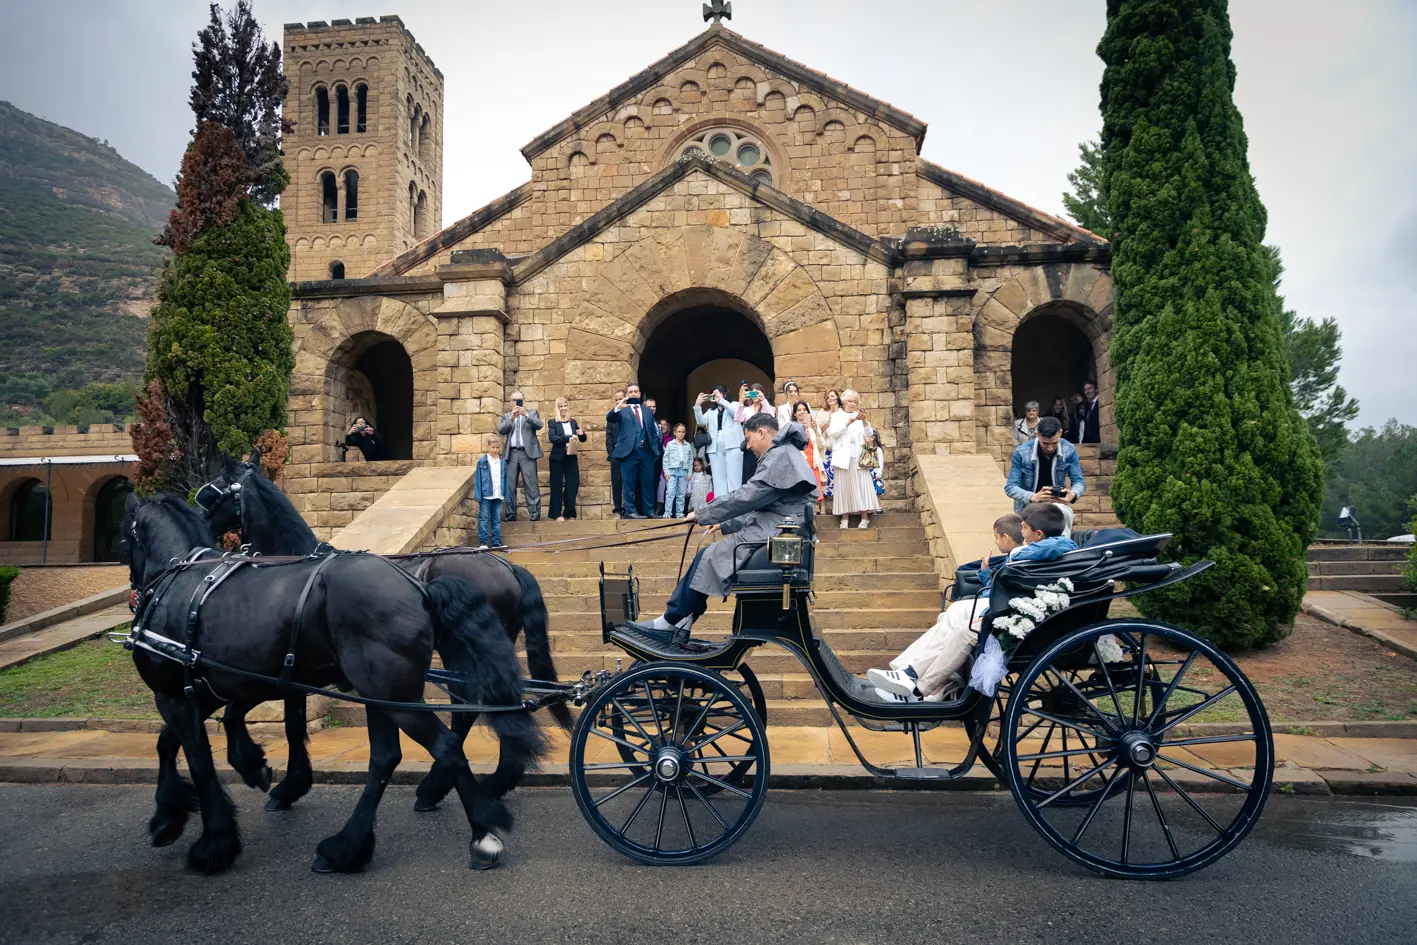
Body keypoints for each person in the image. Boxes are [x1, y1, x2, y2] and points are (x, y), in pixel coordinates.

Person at [629, 413, 817, 638]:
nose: (748, 446)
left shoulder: (780, 456)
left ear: (761, 432)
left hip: (776, 534)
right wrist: (724, 522)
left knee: (708, 556)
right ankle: (682, 620)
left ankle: (670, 620)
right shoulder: (783, 454)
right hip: (776, 529)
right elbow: (765, 505)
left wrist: (704, 513)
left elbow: (748, 497)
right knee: (707, 556)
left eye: (748, 439)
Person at [868, 505, 1076, 702]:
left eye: (1025, 528)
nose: (1021, 533)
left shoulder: (1054, 547)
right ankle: (912, 674)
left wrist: (1016, 554)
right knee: (954, 623)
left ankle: (916, 682)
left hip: (1019, 613)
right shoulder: (1039, 548)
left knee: (961, 622)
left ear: (1038, 534)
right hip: (1006, 605)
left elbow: (1053, 551)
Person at [1004, 415, 1085, 525]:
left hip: (1057, 507)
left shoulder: (1069, 449)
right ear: (1037, 434)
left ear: (1060, 433)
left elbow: (1079, 481)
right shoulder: (1021, 452)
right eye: (1045, 443)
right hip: (1028, 510)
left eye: (1054, 443)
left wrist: (1073, 494)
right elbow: (1010, 487)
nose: (1050, 448)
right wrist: (1032, 496)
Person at [609, 382, 661, 518]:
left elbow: (653, 432)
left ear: (639, 393)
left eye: (635, 391)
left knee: (648, 482)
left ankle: (649, 511)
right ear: (627, 394)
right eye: (630, 392)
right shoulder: (622, 410)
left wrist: (655, 450)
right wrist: (618, 407)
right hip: (629, 452)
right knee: (629, 483)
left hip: (646, 452)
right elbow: (610, 419)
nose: (633, 394)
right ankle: (630, 511)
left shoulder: (647, 411)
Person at [826, 389, 875, 529]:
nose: (852, 404)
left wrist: (864, 421)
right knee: (844, 487)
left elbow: (869, 435)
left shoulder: (860, 417)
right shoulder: (836, 416)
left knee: (862, 485)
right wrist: (847, 422)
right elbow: (833, 433)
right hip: (842, 456)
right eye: (849, 401)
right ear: (844, 402)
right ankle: (844, 518)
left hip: (858, 455)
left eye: (854, 401)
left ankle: (864, 517)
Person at [497, 391, 543, 522]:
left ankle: (535, 514)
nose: (516, 402)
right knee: (509, 485)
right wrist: (512, 418)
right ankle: (511, 514)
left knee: (531, 484)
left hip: (527, 453)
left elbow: (539, 425)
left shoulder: (532, 413)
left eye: (519, 399)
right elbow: (501, 430)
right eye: (514, 400)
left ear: (524, 401)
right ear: (510, 402)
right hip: (511, 454)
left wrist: (526, 415)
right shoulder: (507, 416)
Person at [693, 385, 745, 497]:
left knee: (734, 479)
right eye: (713, 394)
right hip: (715, 447)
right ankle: (721, 504)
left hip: (733, 445)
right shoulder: (711, 411)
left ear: (724, 394)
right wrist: (697, 405)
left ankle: (735, 504)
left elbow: (736, 414)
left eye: (717, 393)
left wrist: (721, 401)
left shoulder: (734, 405)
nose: (715, 396)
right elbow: (701, 422)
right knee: (718, 480)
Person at [546, 396, 587, 521]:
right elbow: (553, 437)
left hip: (571, 457)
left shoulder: (573, 422)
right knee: (556, 486)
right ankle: (556, 514)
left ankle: (569, 512)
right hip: (557, 458)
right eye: (561, 406)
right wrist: (569, 437)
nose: (563, 408)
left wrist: (582, 434)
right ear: (557, 408)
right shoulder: (553, 422)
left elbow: (582, 439)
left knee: (573, 484)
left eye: (565, 406)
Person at [473, 436, 508, 549]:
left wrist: (505, 494)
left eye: (497, 447)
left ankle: (496, 542)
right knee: (484, 518)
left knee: (496, 519)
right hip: (486, 494)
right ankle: (483, 542)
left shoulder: (502, 462)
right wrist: (478, 495)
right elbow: (478, 479)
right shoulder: (482, 461)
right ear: (488, 446)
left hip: (498, 494)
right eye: (493, 447)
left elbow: (505, 478)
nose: (495, 450)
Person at [735, 383, 774, 483]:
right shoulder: (747, 410)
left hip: (764, 445)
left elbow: (771, 417)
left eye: (757, 393)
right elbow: (738, 418)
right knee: (749, 473)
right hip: (750, 445)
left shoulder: (767, 407)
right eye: (752, 393)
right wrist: (741, 401)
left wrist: (763, 400)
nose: (755, 396)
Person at [792, 400, 826, 509]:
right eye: (799, 410)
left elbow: (821, 446)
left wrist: (815, 431)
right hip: (800, 464)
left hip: (813, 463)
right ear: (794, 414)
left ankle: (816, 510)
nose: (802, 412)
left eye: (804, 409)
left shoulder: (813, 427)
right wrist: (801, 429)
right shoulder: (792, 427)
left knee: (815, 490)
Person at [662, 423, 694, 518]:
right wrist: (666, 472)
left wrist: (689, 472)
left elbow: (690, 460)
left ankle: (679, 513)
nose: (681, 434)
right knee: (670, 493)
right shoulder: (670, 444)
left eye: (683, 432)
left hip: (683, 471)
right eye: (679, 432)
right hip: (672, 471)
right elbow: (665, 459)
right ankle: (668, 512)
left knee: (681, 494)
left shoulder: (687, 445)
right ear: (674, 433)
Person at [815, 389, 841, 504]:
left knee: (839, 477)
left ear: (837, 397)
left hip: (839, 448)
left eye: (833, 396)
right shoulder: (822, 412)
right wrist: (829, 420)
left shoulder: (842, 412)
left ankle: (839, 504)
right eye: (828, 397)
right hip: (827, 448)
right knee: (827, 476)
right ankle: (824, 505)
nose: (830, 398)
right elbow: (818, 430)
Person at [605, 389, 625, 517]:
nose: (618, 401)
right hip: (616, 456)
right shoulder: (612, 417)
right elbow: (608, 437)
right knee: (616, 484)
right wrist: (612, 454)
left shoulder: (629, 414)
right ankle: (618, 508)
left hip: (629, 456)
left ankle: (629, 508)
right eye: (616, 400)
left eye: (620, 399)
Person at [861, 428, 885, 514]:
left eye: (867, 436)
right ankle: (868, 507)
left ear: (872, 437)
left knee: (877, 490)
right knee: (867, 490)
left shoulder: (878, 450)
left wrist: (879, 472)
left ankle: (878, 506)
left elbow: (881, 462)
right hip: (867, 472)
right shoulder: (864, 448)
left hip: (875, 472)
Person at [655, 417, 672, 516]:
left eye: (665, 425)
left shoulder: (671, 440)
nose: (663, 427)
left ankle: (667, 510)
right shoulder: (655, 438)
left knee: (669, 490)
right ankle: (657, 508)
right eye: (660, 425)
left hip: (668, 468)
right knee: (658, 489)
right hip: (657, 467)